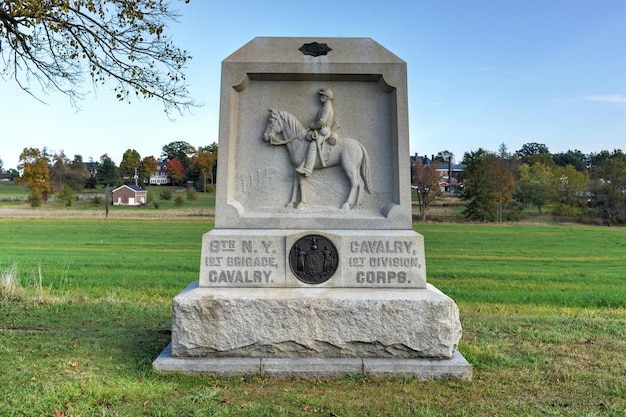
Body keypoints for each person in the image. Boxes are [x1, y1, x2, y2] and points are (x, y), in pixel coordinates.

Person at [296, 88, 337, 177]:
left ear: (327, 97)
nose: (320, 97)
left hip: (324, 132)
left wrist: (313, 126)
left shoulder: (327, 108)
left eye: (323, 96)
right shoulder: (325, 107)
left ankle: (308, 170)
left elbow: (322, 122)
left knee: (313, 145)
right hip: (321, 130)